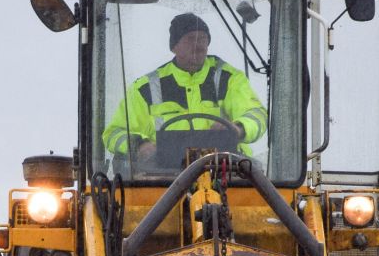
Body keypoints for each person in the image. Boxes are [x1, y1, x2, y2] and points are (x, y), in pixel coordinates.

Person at [102, 12, 268, 164]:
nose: (199, 45)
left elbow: (256, 115)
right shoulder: (145, 89)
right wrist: (140, 145)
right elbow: (114, 133)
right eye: (190, 39)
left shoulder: (229, 79)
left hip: (229, 176)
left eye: (203, 39)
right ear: (174, 47)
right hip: (160, 183)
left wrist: (238, 128)